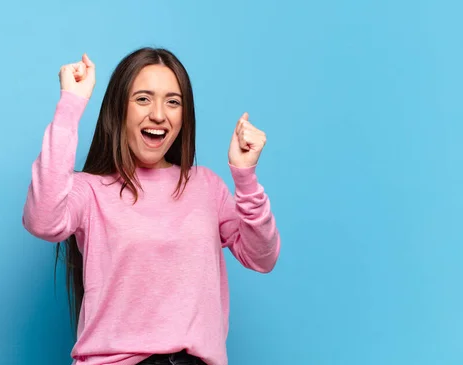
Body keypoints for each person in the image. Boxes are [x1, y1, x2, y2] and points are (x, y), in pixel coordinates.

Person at [22, 47, 281, 365]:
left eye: (173, 102)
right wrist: (70, 106)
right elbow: (42, 220)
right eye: (143, 98)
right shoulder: (89, 191)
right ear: (119, 110)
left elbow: (262, 257)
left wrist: (246, 180)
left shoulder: (206, 187)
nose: (159, 114)